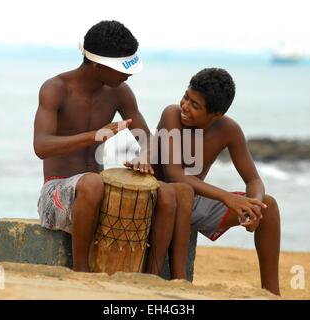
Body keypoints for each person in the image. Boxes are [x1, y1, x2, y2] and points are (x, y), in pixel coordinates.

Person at [33, 20, 192, 279]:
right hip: (56, 193)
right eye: (121, 69)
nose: (128, 75)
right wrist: (94, 136)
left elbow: (148, 139)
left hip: (97, 188)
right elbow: (41, 146)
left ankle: (150, 276)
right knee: (94, 183)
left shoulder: (120, 93)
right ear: (97, 65)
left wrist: (144, 156)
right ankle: (81, 271)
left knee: (166, 192)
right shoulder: (55, 89)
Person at [152, 68, 281, 295]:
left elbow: (253, 179)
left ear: (216, 114)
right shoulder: (172, 115)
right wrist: (226, 197)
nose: (185, 106)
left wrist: (254, 206)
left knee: (268, 206)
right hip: (161, 200)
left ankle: (271, 293)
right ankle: (179, 283)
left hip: (193, 202)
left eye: (195, 105)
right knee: (182, 190)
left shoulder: (229, 130)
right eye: (186, 97)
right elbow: (174, 174)